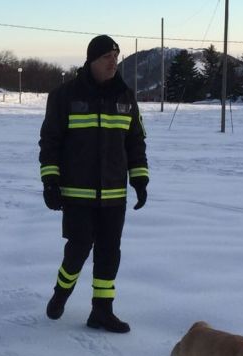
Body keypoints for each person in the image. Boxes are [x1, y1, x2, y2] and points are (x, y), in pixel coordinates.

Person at [38, 35, 149, 333]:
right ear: (91, 61)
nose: (113, 61)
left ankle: (101, 310)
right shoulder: (64, 96)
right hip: (77, 193)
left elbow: (135, 142)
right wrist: (50, 180)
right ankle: (61, 293)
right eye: (106, 57)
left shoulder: (125, 96)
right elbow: (50, 143)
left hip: (114, 194)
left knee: (109, 252)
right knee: (78, 249)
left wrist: (139, 179)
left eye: (116, 55)